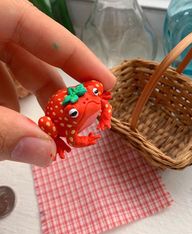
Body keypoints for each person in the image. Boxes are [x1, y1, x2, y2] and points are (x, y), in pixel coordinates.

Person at [0, 0, 116, 167]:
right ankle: (56, 136)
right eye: (74, 112)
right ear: (71, 114)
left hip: (66, 102)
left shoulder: (95, 100)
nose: (93, 100)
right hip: (56, 114)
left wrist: (104, 115)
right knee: (46, 123)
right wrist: (87, 139)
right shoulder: (69, 127)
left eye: (96, 92)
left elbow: (103, 103)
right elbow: (73, 140)